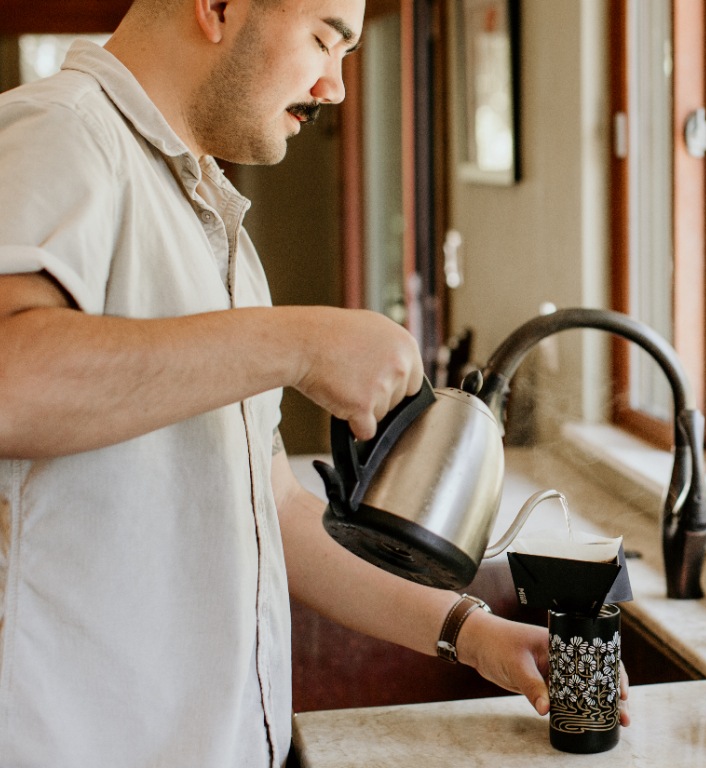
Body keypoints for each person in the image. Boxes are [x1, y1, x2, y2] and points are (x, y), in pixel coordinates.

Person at [0, 0, 628, 765]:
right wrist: (297, 344)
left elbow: (275, 510)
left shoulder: (210, 224)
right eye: (326, 39)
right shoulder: (59, 132)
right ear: (219, 8)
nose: (334, 86)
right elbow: (12, 381)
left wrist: (470, 632)